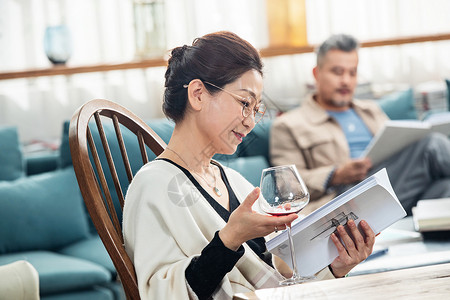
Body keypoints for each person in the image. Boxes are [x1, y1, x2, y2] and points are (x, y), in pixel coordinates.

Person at [122, 31, 375, 299]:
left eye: (256, 109)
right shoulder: (153, 185)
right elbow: (163, 293)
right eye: (244, 103)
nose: (250, 121)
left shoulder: (233, 181)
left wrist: (337, 268)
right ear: (197, 94)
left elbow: (276, 276)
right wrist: (229, 239)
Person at [270, 34, 450, 215]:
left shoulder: (371, 110)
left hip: (393, 189)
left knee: (445, 187)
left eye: (352, 72)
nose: (346, 81)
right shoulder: (287, 125)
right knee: (432, 144)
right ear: (317, 74)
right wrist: (335, 175)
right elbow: (287, 189)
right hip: (344, 199)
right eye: (337, 72)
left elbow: (400, 162)